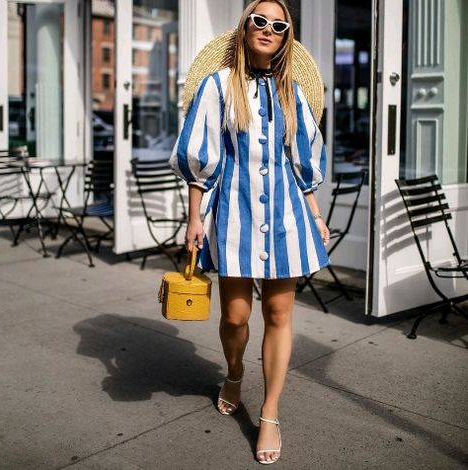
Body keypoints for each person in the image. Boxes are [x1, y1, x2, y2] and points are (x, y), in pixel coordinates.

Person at [169, 0, 330, 464]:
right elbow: (202, 160)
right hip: (233, 218)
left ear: (284, 38)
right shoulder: (216, 87)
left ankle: (271, 413)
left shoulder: (292, 93)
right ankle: (235, 373)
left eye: (278, 25)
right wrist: (194, 217)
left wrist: (315, 214)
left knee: (279, 316)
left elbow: (303, 163)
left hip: (287, 220)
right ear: (245, 28)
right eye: (259, 21)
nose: (268, 29)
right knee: (235, 318)